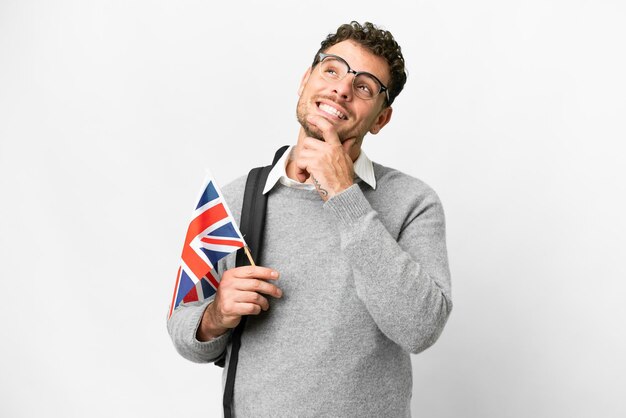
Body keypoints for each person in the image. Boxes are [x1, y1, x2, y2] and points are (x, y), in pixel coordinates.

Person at [167, 21, 452, 417]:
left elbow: (420, 329)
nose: (341, 89)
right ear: (305, 81)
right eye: (331, 69)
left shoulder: (413, 202)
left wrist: (344, 196)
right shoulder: (234, 199)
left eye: (365, 86)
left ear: (381, 119)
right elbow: (182, 328)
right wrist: (214, 316)